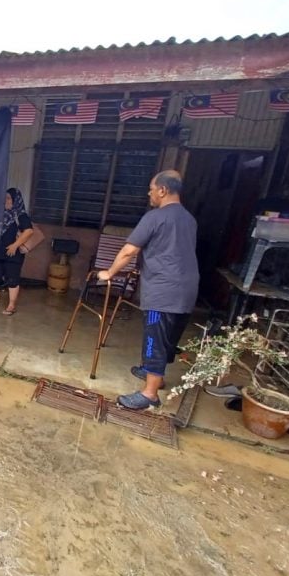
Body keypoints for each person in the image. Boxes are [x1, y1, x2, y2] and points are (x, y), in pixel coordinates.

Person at [98, 170, 199, 410]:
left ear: (163, 190)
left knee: (154, 339)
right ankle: (155, 375)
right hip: (187, 288)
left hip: (163, 290)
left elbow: (129, 251)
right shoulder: (189, 219)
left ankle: (150, 394)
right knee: (167, 339)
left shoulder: (155, 217)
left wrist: (109, 273)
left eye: (152, 188)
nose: (149, 193)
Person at [0, 187, 34, 315]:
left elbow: (29, 231)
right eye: (4, 198)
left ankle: (11, 305)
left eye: (9, 198)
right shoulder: (1, 214)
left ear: (16, 200)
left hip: (13, 253)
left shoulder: (20, 215)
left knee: (12, 279)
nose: (6, 200)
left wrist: (15, 245)